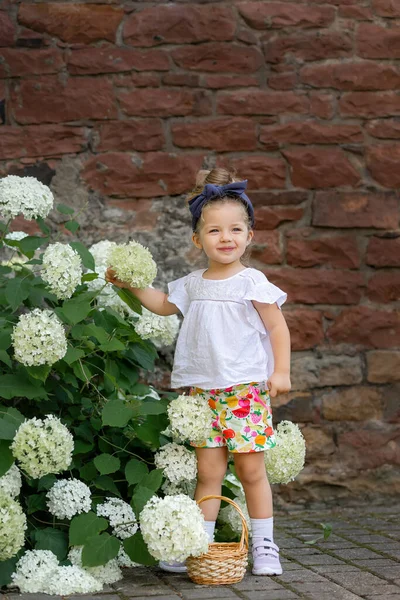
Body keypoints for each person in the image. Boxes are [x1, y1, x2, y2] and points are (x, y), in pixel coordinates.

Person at [106, 168, 291, 577]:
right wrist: (130, 284)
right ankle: (199, 543)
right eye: (214, 231)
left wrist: (282, 372)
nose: (226, 238)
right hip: (202, 396)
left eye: (235, 229)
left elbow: (277, 326)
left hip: (244, 392)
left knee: (252, 471)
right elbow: (160, 304)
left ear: (249, 235)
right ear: (197, 239)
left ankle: (263, 543)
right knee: (208, 472)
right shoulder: (192, 284)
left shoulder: (252, 281)